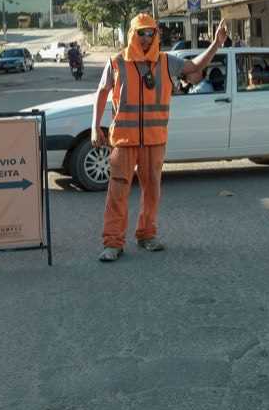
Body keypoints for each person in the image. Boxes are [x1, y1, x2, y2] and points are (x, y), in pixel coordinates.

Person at [92, 13, 229, 262]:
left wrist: (217, 44)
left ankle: (146, 234)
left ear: (156, 35)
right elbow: (102, 93)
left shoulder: (166, 62)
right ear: (133, 33)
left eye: (150, 33)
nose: (146, 38)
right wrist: (95, 127)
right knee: (118, 192)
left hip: (154, 140)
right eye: (141, 33)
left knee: (152, 191)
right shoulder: (117, 62)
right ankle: (113, 243)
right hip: (124, 140)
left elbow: (196, 67)